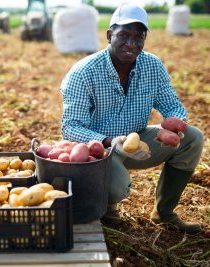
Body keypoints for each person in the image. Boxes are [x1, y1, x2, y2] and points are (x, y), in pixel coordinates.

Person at [59, 4, 203, 233]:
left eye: (139, 36)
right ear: (109, 35)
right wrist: (110, 141)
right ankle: (107, 208)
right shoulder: (84, 72)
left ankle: (164, 213)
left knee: (193, 138)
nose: (131, 43)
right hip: (97, 150)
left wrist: (176, 127)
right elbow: (70, 127)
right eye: (124, 35)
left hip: (137, 143)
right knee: (118, 187)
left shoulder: (152, 65)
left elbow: (172, 104)